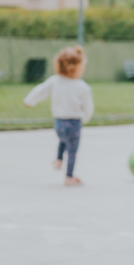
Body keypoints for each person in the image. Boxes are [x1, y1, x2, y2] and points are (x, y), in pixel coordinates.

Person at [23, 46, 94, 186]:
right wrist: (85, 119)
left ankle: (59, 160)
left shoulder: (54, 81)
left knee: (62, 139)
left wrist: (29, 101)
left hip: (59, 123)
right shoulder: (82, 87)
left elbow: (40, 91)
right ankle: (69, 177)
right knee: (72, 151)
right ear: (77, 67)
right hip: (74, 123)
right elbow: (88, 107)